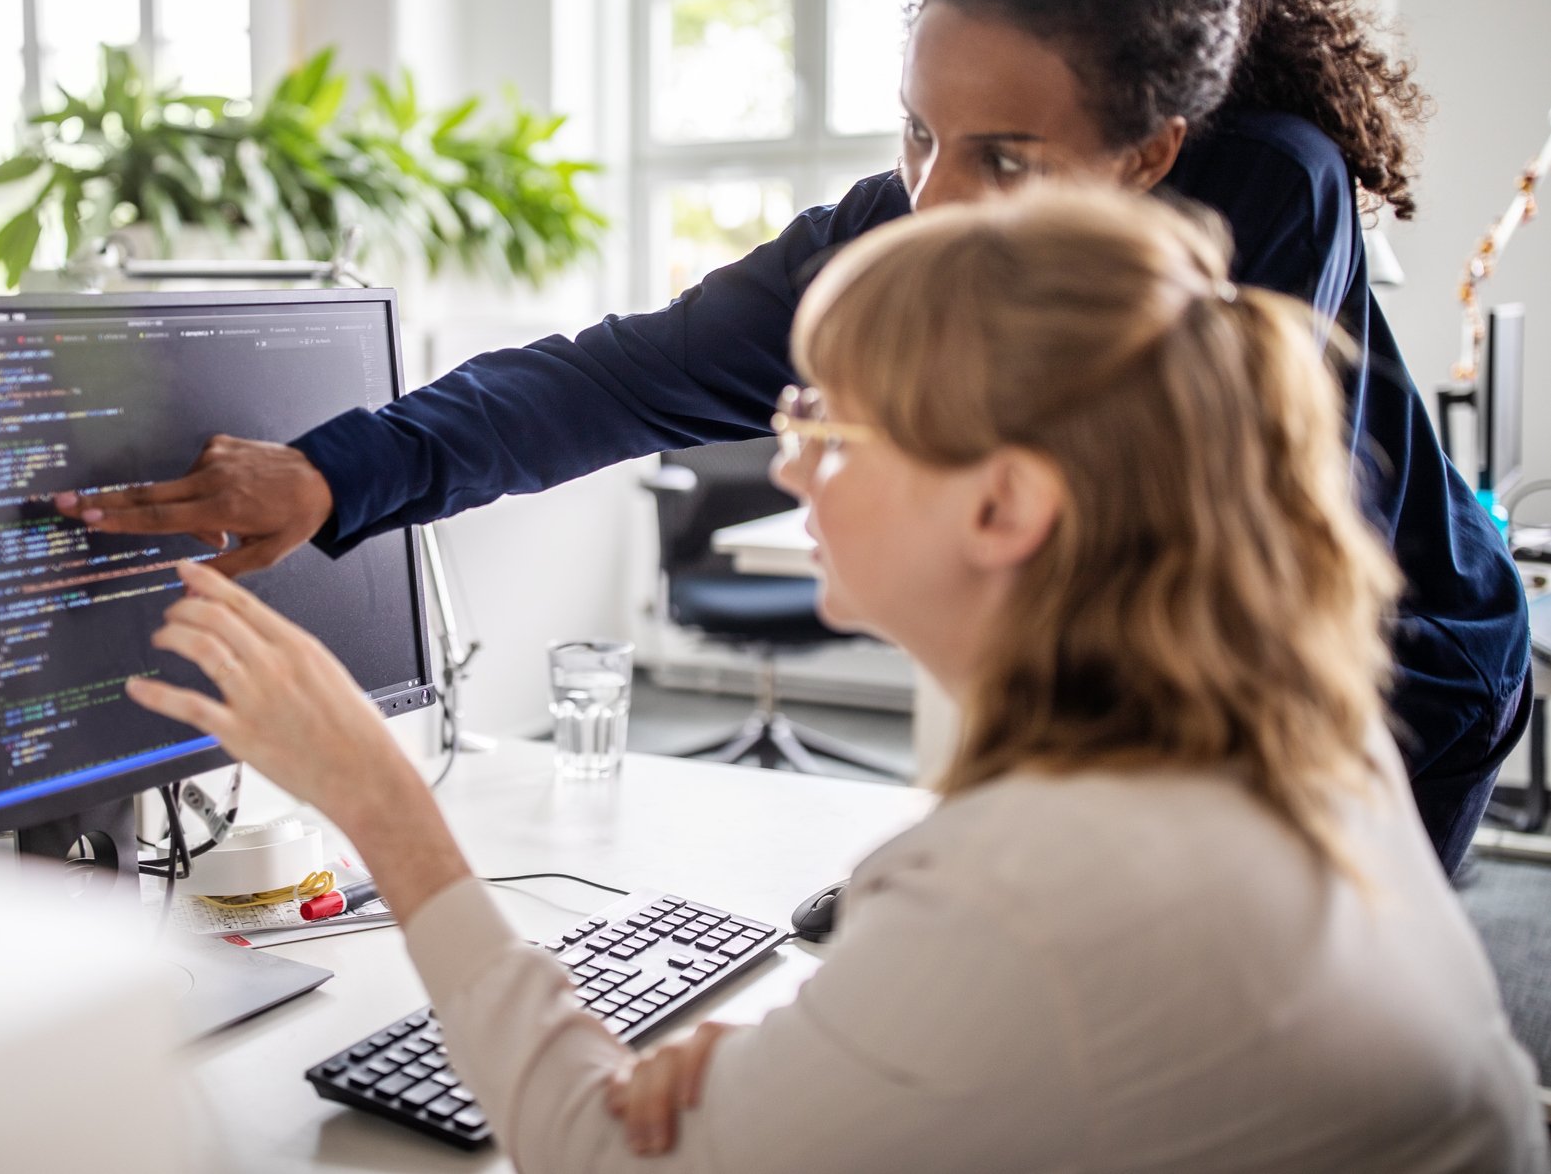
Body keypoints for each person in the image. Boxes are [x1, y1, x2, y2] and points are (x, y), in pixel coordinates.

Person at [56, 0, 1531, 873]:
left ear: (1147, 153)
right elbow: (620, 375)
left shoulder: (1262, 188)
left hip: (1398, 676)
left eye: (1004, 156)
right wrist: (335, 470)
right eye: (917, 133)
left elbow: (1179, 564)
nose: (936, 199)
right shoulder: (902, 226)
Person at [127, 187, 1547, 1172]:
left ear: (1002, 507)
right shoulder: (1267, 732)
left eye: (828, 418)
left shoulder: (1041, 886)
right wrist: (822, 1065)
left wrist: (375, 795)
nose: (787, 454)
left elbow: (589, 1144)